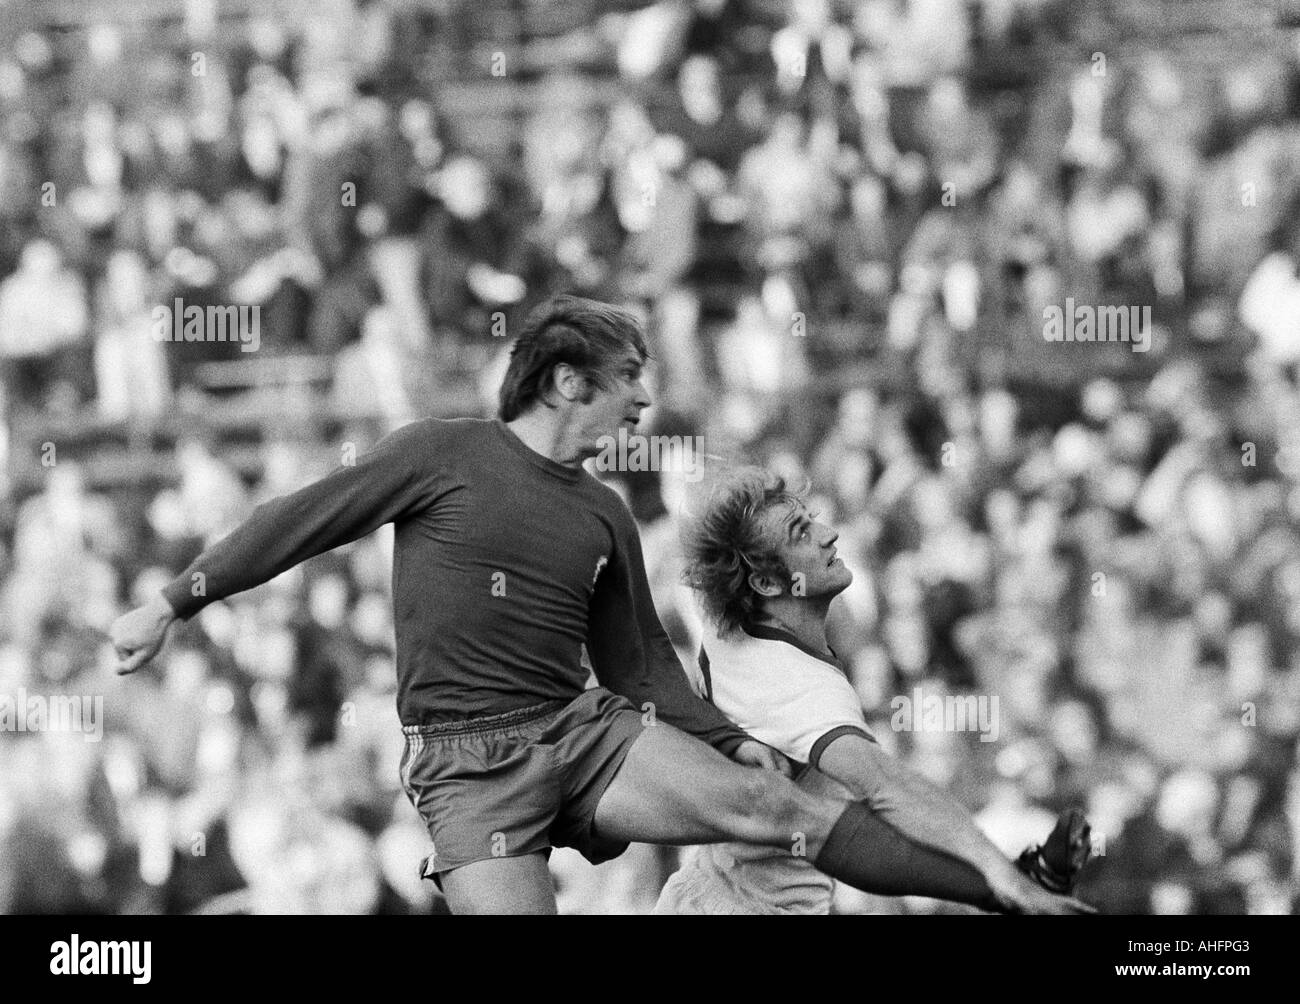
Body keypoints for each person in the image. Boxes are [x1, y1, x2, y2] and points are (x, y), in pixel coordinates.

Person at [111, 294, 1090, 915]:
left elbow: (640, 666)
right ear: (567, 378)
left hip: (577, 732)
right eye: (629, 382)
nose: (640, 405)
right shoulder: (440, 452)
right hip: (464, 768)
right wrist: (174, 597)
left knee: (772, 802)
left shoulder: (606, 510)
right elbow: (299, 518)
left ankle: (1007, 889)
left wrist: (721, 734)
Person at [655, 467, 1091, 914]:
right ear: (765, 583)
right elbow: (888, 788)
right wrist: (1004, 877)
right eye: (800, 533)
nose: (828, 535)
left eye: (813, 520)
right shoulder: (790, 682)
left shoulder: (730, 628)